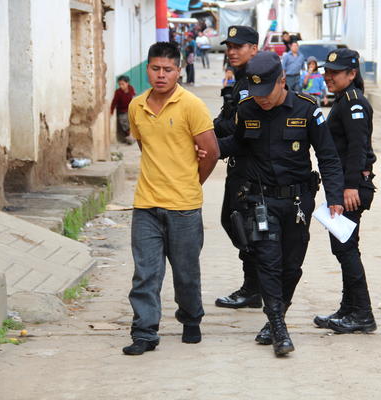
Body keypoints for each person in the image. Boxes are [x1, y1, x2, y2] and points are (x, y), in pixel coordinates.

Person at [219, 51, 345, 356]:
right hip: (260, 201)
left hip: (298, 202)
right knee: (268, 263)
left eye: (266, 92)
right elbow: (235, 143)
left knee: (292, 267)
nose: (261, 99)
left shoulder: (307, 109)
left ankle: (277, 317)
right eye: (256, 91)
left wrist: (335, 196)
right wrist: (207, 146)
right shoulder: (247, 109)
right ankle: (277, 326)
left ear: (281, 81)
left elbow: (327, 155)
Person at [122, 42, 220, 356]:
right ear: (147, 68)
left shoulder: (191, 105)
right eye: (155, 68)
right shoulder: (136, 106)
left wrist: (191, 182)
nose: (161, 75)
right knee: (145, 272)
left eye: (167, 69)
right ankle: (145, 332)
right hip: (146, 204)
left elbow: (212, 152)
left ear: (178, 70)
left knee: (186, 272)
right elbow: (145, 148)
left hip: (184, 207)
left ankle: (191, 319)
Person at [313, 48, 378, 334]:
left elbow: (357, 148)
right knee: (344, 247)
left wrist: (350, 186)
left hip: (351, 187)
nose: (328, 77)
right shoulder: (343, 100)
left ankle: (362, 314)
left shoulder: (353, 103)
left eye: (335, 73)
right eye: (326, 72)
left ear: (352, 74)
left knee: (346, 249)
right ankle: (349, 309)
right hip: (342, 185)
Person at [213, 26, 262, 310]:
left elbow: (238, 126)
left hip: (252, 167)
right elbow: (228, 119)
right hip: (239, 166)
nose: (232, 51)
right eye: (229, 46)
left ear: (253, 49)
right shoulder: (240, 79)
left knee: (244, 225)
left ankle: (255, 287)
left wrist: (214, 133)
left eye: (238, 46)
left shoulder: (255, 80)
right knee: (235, 222)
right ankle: (256, 284)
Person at [110, 75, 136, 145]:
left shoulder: (131, 89)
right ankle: (129, 135)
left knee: (133, 121)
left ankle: (132, 136)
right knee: (124, 122)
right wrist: (111, 110)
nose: (121, 86)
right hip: (122, 111)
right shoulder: (118, 92)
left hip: (130, 109)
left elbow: (134, 98)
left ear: (127, 83)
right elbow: (114, 102)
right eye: (119, 84)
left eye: (123, 84)